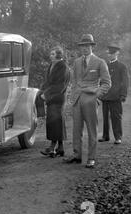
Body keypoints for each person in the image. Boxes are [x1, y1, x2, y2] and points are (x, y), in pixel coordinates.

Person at [64, 34, 111, 168]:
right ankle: (77, 155)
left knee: (92, 130)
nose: (84, 48)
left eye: (87, 46)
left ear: (92, 46)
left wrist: (97, 95)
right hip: (77, 99)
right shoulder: (77, 62)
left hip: (91, 99)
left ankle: (91, 158)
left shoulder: (100, 62)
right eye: (82, 46)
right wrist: (72, 97)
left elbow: (107, 83)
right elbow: (74, 81)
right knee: (76, 129)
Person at [40, 47, 70, 157]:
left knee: (55, 122)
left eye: (53, 54)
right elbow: (48, 81)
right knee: (56, 122)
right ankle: (60, 148)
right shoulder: (52, 65)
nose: (50, 56)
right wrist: (41, 91)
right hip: (51, 98)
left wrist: (46, 94)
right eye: (51, 53)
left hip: (57, 98)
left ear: (59, 55)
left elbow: (60, 86)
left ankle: (52, 147)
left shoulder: (63, 67)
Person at [99, 42, 129, 144]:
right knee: (105, 117)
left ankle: (118, 137)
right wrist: (100, 92)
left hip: (116, 96)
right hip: (105, 96)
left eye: (112, 53)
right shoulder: (105, 65)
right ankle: (105, 136)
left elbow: (125, 82)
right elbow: (101, 80)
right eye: (109, 54)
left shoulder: (122, 66)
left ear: (117, 54)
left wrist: (123, 95)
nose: (110, 55)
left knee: (116, 117)